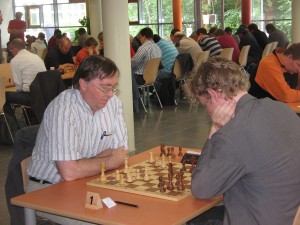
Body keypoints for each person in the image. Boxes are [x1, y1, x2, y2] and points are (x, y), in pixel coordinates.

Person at [187, 57, 300, 225]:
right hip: (287, 214)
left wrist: (215, 131)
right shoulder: (283, 109)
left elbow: (201, 189)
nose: (209, 112)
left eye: (206, 105)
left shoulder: (233, 133)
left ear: (213, 94)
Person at [27, 55, 128, 225]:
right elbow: (69, 172)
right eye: (105, 88)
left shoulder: (113, 103)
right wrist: (108, 161)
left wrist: (83, 164)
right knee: (101, 221)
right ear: (83, 84)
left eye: (114, 88)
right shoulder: (63, 109)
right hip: (48, 188)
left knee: (130, 212)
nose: (111, 94)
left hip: (89, 182)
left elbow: (120, 152)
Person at [4, 38, 46, 126]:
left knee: (3, 97)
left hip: (30, 96)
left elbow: (19, 87)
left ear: (15, 48)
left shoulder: (15, 61)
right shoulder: (36, 56)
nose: (11, 52)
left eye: (11, 49)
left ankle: (13, 127)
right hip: (44, 94)